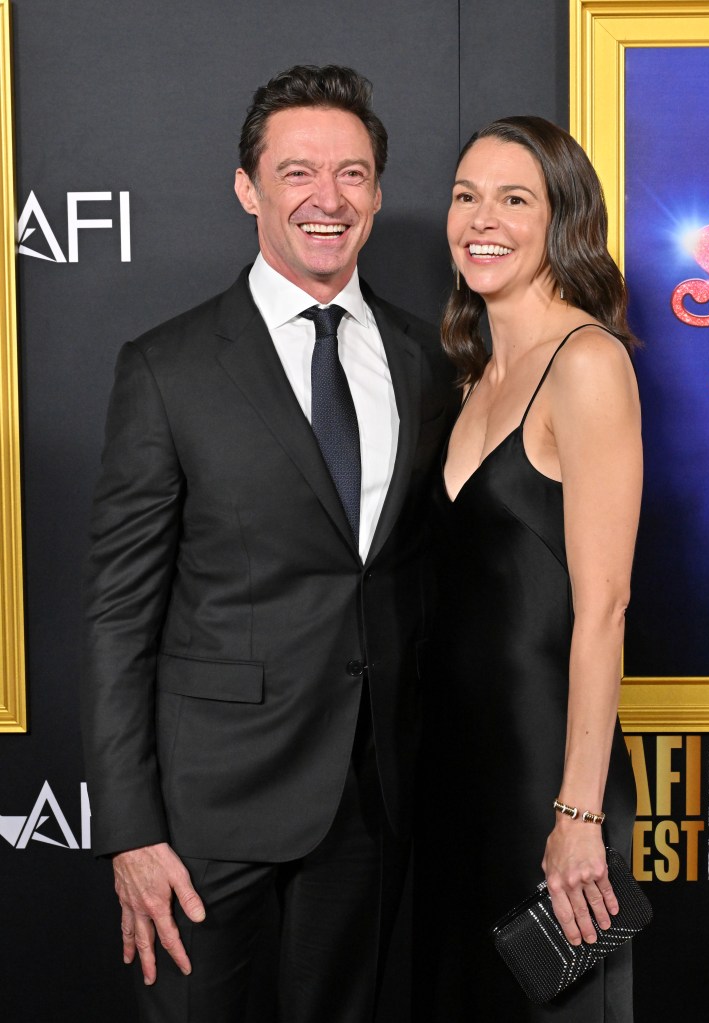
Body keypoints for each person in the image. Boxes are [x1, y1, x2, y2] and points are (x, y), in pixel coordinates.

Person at [81, 64, 457, 1023]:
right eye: (297, 173)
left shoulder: (429, 359)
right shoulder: (166, 368)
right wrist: (130, 831)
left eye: (353, 175)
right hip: (206, 816)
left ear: (377, 192)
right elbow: (121, 615)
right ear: (248, 188)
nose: (326, 200)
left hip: (367, 804)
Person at [413, 116, 641, 1022]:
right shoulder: (472, 374)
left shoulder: (587, 362)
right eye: (467, 195)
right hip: (456, 776)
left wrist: (578, 812)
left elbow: (606, 607)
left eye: (515, 198)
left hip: (548, 778)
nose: (482, 219)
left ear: (562, 220)